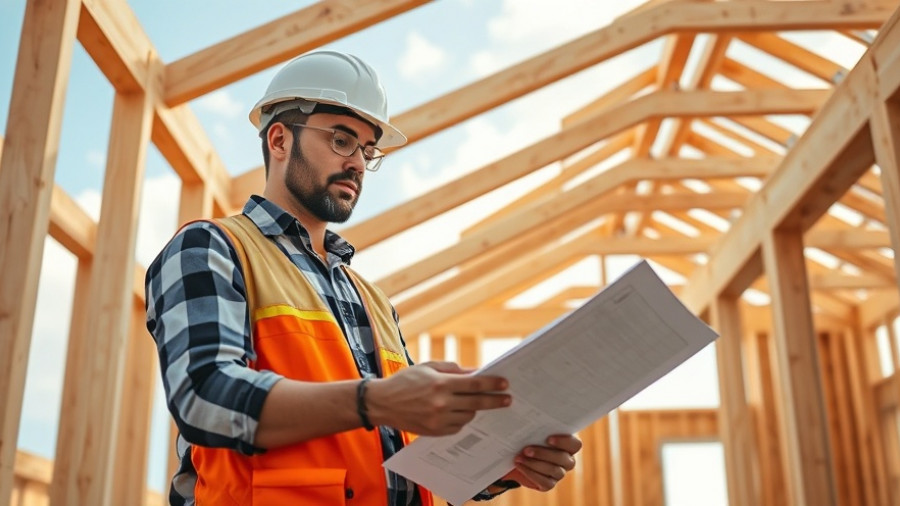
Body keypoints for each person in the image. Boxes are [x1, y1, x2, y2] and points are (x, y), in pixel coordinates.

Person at [145, 50, 582, 506]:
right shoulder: (212, 248)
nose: (357, 162)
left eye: (367, 150)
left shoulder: (371, 300)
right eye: (340, 139)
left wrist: (499, 467)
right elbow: (205, 396)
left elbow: (406, 449)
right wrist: (373, 401)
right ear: (279, 140)